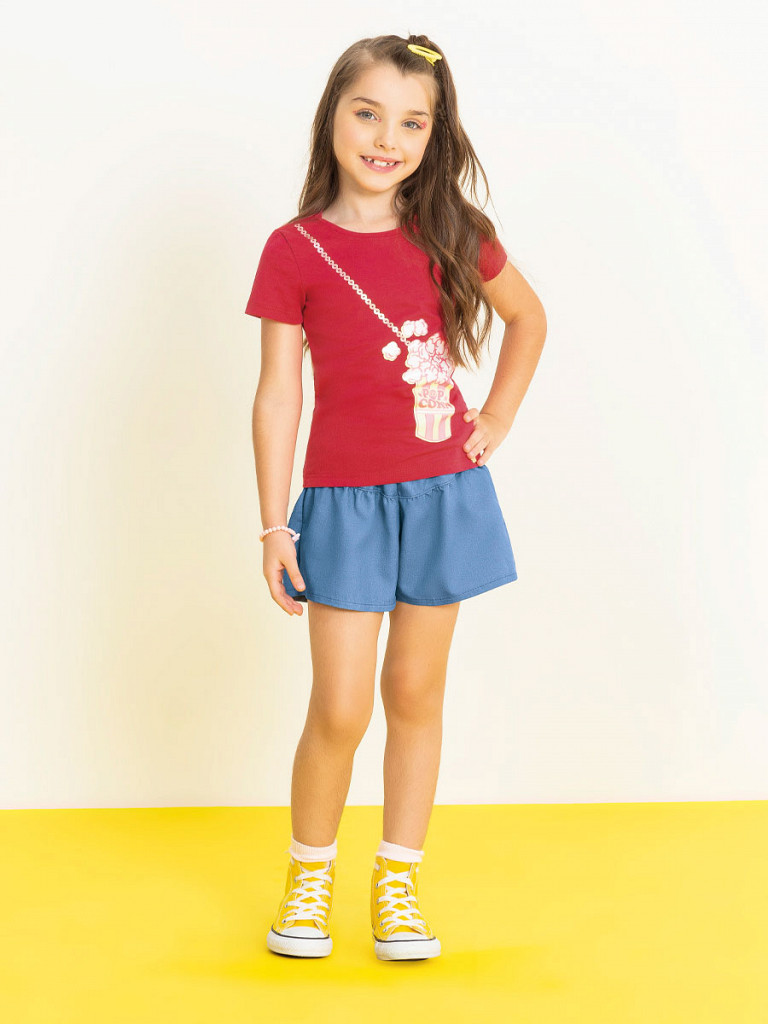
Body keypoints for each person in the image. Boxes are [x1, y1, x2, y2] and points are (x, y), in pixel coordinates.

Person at [245, 33, 546, 963]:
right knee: (340, 707)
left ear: (434, 134)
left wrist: (495, 416)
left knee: (415, 691)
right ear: (333, 116)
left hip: (442, 494)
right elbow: (279, 394)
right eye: (368, 113)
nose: (387, 138)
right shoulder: (294, 249)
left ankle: (398, 883)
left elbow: (528, 317)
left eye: (412, 122)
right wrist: (274, 523)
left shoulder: (451, 229)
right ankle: (308, 877)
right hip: (343, 504)